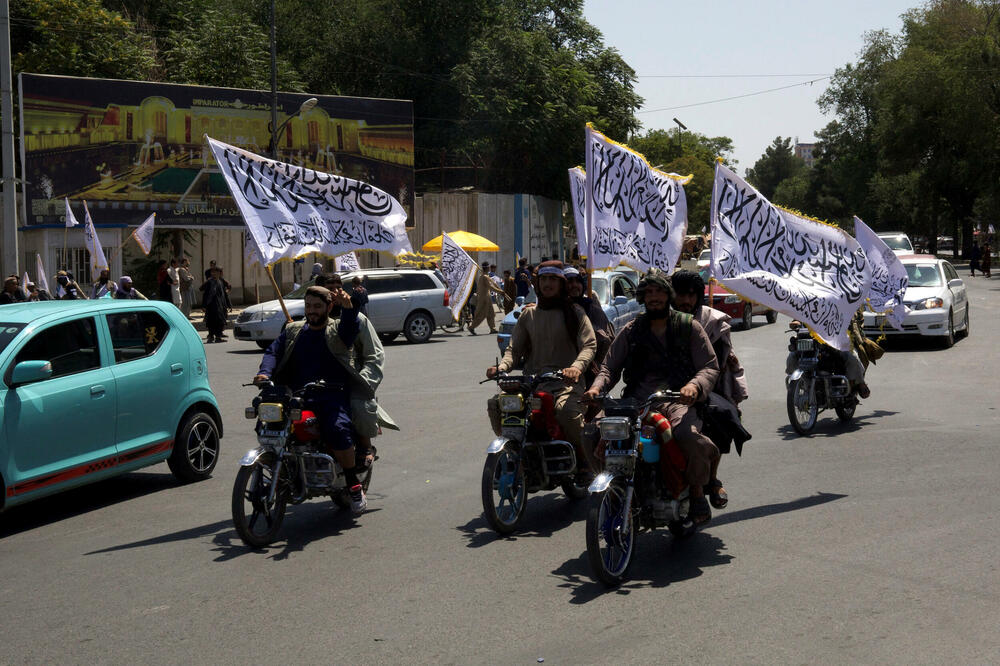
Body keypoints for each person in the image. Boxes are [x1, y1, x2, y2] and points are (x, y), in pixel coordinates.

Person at [584, 269, 720, 525]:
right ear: (642, 297)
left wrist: (694, 386)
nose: (654, 297)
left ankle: (697, 491)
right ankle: (613, 486)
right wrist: (596, 388)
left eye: (659, 291)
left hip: (677, 400)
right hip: (636, 400)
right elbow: (608, 367)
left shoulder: (688, 326)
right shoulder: (631, 329)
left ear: (668, 295)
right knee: (593, 431)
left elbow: (709, 366)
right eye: (648, 292)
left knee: (687, 437)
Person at [253, 285, 373, 514]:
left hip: (331, 393)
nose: (312, 311)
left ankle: (353, 484)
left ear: (329, 307)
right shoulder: (293, 330)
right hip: (297, 395)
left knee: (337, 429)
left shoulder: (336, 329)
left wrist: (348, 309)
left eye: (317, 306)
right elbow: (273, 352)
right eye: (308, 306)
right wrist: (264, 373)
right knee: (269, 423)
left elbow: (349, 331)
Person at [486, 261, 598, 474]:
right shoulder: (528, 314)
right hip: (533, 382)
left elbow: (589, 345)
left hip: (566, 382)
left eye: (553, 280)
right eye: (543, 279)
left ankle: (585, 462)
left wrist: (575, 367)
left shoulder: (575, 312)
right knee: (497, 404)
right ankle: (512, 450)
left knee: (566, 412)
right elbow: (513, 349)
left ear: (561, 284)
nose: (547, 284)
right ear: (537, 283)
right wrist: (502, 366)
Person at [671, 269, 750, 509]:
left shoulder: (713, 321)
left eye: (690, 295)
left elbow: (718, 360)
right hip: (664, 386)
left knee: (722, 417)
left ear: (698, 296)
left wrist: (698, 384)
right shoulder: (660, 318)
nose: (685, 301)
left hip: (706, 385)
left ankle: (711, 479)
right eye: (680, 295)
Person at [563, 266, 614, 388]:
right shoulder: (554, 310)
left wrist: (594, 364)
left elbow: (606, 339)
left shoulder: (591, 308)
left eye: (578, 281)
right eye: (570, 281)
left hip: (589, 372)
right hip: (559, 373)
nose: (574, 285)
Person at [468, 261, 510, 335]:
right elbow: (490, 287)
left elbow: (493, 284)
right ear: (487, 268)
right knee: (482, 314)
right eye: (489, 267)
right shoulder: (484, 277)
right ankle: (472, 327)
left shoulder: (484, 276)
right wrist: (500, 292)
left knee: (491, 314)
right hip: (484, 299)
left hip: (487, 298)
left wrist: (500, 291)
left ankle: (492, 329)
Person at [200, 267, 230, 343]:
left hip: (220, 305)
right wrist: (204, 305)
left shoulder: (220, 282)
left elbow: (224, 294)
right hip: (211, 305)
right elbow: (202, 290)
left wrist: (228, 305)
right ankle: (211, 337)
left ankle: (218, 337)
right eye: (213, 272)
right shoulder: (210, 282)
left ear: (219, 273)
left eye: (216, 272)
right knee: (211, 321)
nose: (214, 273)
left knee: (219, 321)